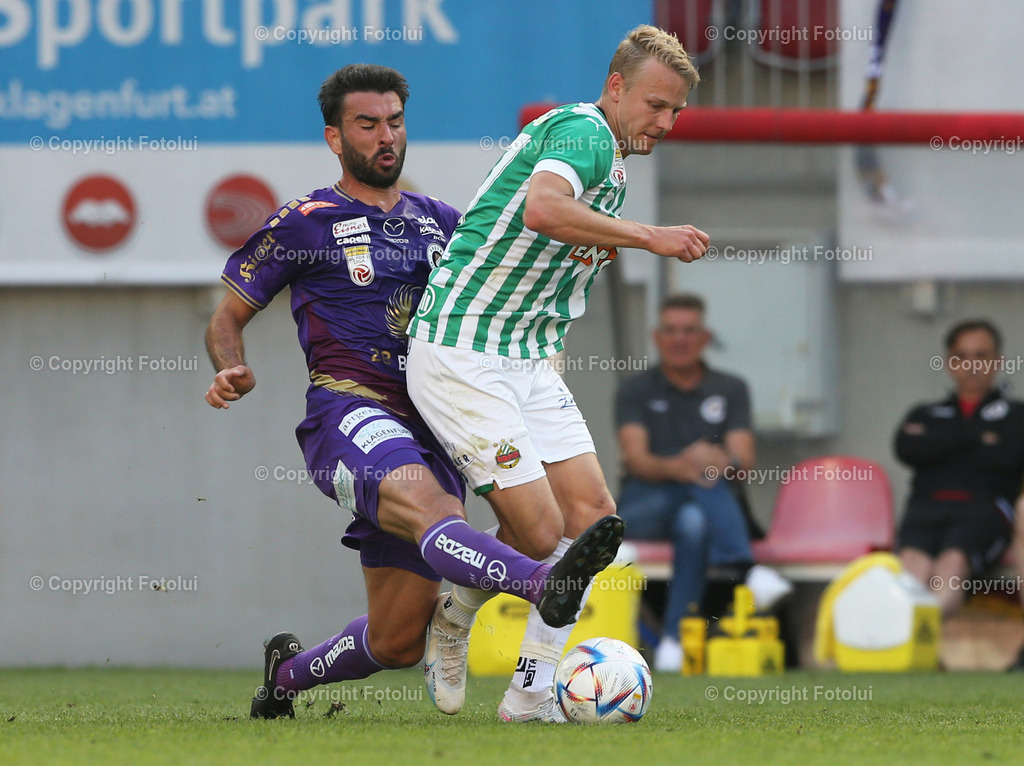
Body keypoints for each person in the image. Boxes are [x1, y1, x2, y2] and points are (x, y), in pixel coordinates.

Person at [203, 64, 624, 720]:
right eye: (367, 125)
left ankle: (285, 677)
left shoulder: (443, 223)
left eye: (395, 122)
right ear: (334, 138)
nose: (385, 136)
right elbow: (226, 316)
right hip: (350, 412)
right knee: (438, 512)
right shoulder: (306, 221)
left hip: (437, 419)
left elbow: (491, 303)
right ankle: (545, 586)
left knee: (397, 641)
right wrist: (231, 365)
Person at [405, 24, 707, 721]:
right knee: (541, 535)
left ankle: (532, 692)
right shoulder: (584, 132)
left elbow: (549, 271)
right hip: (464, 350)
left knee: (596, 519)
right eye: (656, 104)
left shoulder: (616, 166)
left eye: (676, 113)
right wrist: (650, 237)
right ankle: (452, 616)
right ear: (615, 87)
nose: (664, 122)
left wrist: (549, 353)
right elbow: (542, 209)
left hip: (526, 359)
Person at [614, 293, 792, 672]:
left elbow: (743, 459)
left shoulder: (730, 387)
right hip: (644, 506)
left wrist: (717, 461)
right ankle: (747, 571)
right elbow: (637, 460)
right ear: (656, 337)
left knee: (694, 520)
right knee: (704, 482)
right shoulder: (635, 389)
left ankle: (673, 644)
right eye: (671, 330)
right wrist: (686, 465)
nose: (680, 339)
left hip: (703, 511)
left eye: (689, 330)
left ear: (705, 337)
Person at [896, 319, 1024, 619]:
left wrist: (942, 440)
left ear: (998, 362)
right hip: (925, 510)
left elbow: (1009, 456)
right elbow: (907, 448)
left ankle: (919, 633)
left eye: (981, 356)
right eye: (962, 357)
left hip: (983, 512)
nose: (971, 365)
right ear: (949, 363)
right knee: (913, 568)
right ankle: (907, 646)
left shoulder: (1017, 415)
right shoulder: (924, 411)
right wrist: (979, 438)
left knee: (950, 566)